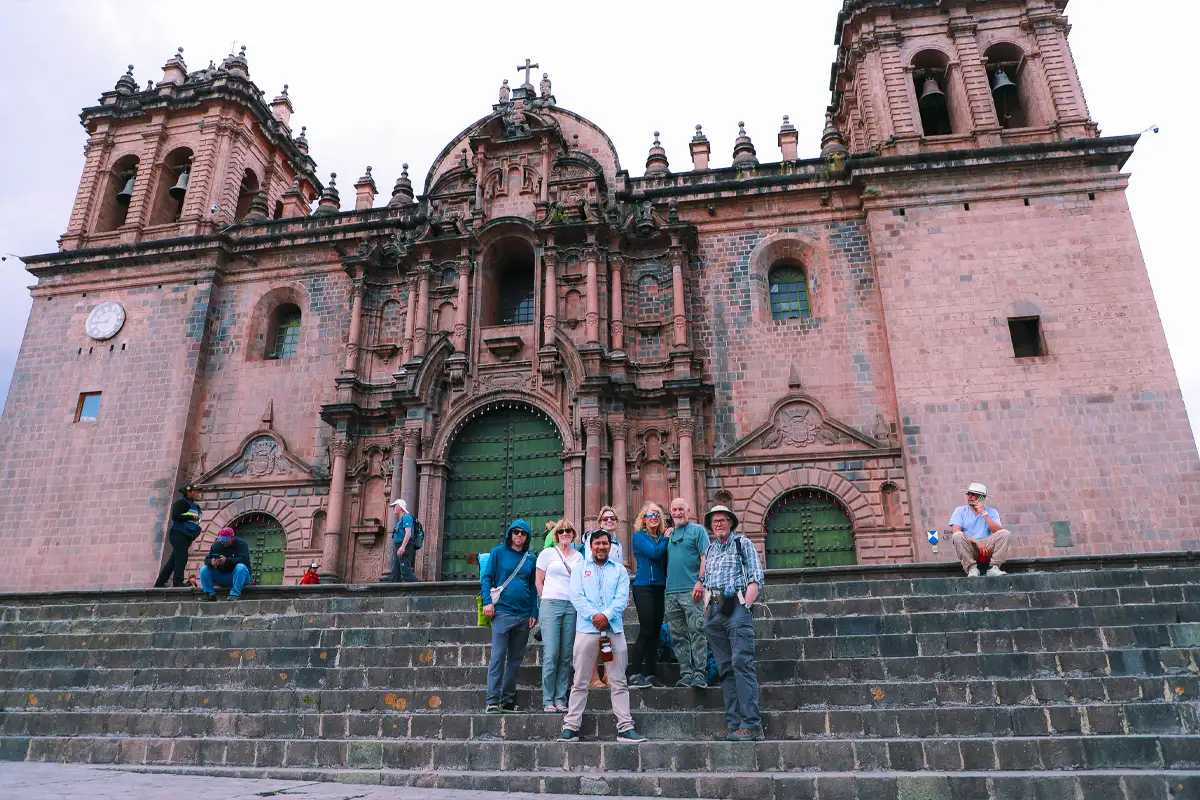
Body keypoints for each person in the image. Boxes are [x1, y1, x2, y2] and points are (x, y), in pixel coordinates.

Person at [557, 529, 647, 743]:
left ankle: (625, 727)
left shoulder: (619, 571)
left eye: (605, 543)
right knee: (580, 680)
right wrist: (594, 616)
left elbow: (622, 597)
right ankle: (571, 726)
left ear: (610, 545)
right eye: (597, 543)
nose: (601, 547)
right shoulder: (579, 569)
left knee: (618, 680)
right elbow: (576, 596)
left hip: (612, 632)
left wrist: (605, 616)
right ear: (591, 546)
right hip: (587, 632)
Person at [701, 504, 765, 742]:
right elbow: (707, 580)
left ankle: (752, 724)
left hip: (736, 607)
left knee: (741, 663)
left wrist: (746, 604)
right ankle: (734, 723)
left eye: (722, 520)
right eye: (715, 521)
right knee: (725, 668)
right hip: (715, 612)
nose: (718, 524)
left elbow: (756, 576)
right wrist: (707, 610)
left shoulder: (742, 544)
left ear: (731, 522)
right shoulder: (710, 549)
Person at [480, 519, 538, 713]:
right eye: (516, 532)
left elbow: (532, 586)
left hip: (523, 615)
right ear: (510, 534)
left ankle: (507, 701)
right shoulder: (498, 552)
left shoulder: (530, 558)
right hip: (502, 612)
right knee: (498, 657)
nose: (519, 535)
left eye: (523, 533)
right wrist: (487, 601)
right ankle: (492, 701)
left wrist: (533, 611)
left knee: (515, 660)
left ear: (527, 537)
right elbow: (487, 577)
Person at [536, 519, 583, 711]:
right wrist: (545, 599)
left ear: (573, 534)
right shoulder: (547, 554)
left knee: (565, 654)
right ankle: (548, 699)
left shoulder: (579, 557)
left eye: (568, 530)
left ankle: (561, 698)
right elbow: (539, 581)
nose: (565, 533)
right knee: (551, 653)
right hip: (551, 604)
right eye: (561, 531)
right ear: (556, 534)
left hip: (571, 605)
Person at [664, 497, 711, 689]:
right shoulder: (669, 534)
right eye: (674, 509)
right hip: (671, 592)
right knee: (678, 636)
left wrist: (701, 581)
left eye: (681, 509)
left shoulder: (698, 531)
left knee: (697, 632)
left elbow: (705, 557)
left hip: (692, 591)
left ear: (688, 510)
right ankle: (686, 674)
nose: (677, 513)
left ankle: (700, 674)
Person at [628, 502, 668, 689]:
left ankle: (651, 673)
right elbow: (654, 553)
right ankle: (634, 673)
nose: (653, 518)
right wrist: (666, 539)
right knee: (646, 629)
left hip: (659, 587)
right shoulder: (639, 536)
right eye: (650, 515)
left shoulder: (660, 537)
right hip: (643, 587)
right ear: (643, 519)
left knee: (655, 631)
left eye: (657, 515)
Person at [949, 482, 1013, 577]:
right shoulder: (960, 510)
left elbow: (998, 531)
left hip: (987, 547)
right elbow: (956, 531)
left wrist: (983, 513)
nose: (969, 497)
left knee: (1005, 533)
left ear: (982, 497)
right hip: (969, 546)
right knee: (957, 536)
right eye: (968, 494)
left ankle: (994, 568)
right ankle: (972, 569)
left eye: (973, 494)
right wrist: (977, 542)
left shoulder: (992, 512)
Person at [154, 483, 202, 588]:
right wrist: (190, 517)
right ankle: (177, 582)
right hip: (179, 533)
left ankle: (160, 583)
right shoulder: (182, 502)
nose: (197, 493)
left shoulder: (193, 504)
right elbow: (175, 516)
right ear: (188, 492)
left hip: (186, 535)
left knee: (173, 560)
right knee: (182, 557)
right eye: (195, 491)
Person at [199, 527, 252, 601]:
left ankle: (235, 594)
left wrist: (226, 561)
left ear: (232, 538)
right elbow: (207, 560)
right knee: (203, 569)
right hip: (223, 576)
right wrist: (212, 562)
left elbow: (244, 560)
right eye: (222, 540)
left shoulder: (242, 544)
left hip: (240, 577)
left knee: (240, 567)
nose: (223, 542)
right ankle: (210, 595)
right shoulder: (215, 546)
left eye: (226, 540)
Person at [388, 499, 420, 583]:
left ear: (400, 507)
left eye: (395, 506)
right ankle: (396, 592)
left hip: (404, 546)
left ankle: (421, 590)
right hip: (398, 547)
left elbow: (408, 533)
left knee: (406, 572)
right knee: (395, 572)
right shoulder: (401, 519)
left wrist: (402, 547)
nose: (393, 508)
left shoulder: (406, 517)